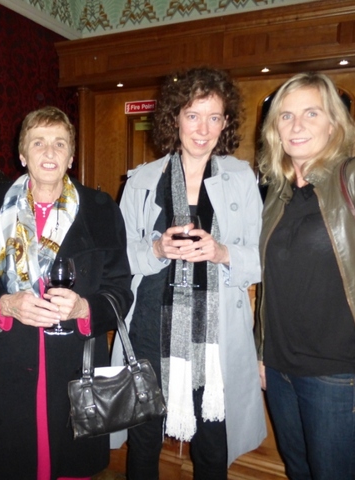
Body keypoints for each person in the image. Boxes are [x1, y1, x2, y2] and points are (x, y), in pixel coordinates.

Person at [0, 106, 133, 480]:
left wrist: (84, 308)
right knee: (14, 465)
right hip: (10, 360)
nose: (49, 152)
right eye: (38, 143)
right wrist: (5, 304)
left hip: (76, 364)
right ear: (23, 155)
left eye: (59, 143)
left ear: (71, 156)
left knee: (70, 466)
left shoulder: (101, 211)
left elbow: (120, 290)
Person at [255, 72, 355, 480]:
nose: (297, 125)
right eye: (286, 115)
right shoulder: (277, 193)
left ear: (334, 123)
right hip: (281, 370)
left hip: (339, 375)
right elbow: (273, 285)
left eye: (312, 113)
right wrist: (262, 352)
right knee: (298, 471)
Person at [118, 67, 266, 480]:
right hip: (149, 326)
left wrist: (221, 252)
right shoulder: (142, 180)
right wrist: (156, 249)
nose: (203, 129)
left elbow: (261, 258)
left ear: (225, 123)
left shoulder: (241, 178)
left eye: (214, 117)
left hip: (215, 334)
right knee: (143, 439)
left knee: (213, 444)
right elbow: (119, 257)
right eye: (193, 116)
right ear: (175, 119)